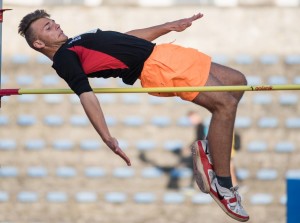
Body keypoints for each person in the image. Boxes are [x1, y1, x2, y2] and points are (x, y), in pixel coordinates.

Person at [18, 9, 249, 222]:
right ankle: (223, 186)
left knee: (237, 82)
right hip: (158, 67)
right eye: (48, 28)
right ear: (38, 43)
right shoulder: (64, 59)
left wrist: (168, 26)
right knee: (225, 105)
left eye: (53, 22)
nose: (56, 25)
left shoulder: (77, 41)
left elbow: (127, 38)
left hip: (165, 53)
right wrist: (107, 137)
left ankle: (209, 151)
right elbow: (86, 95)